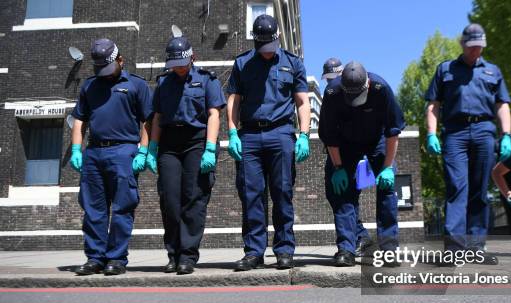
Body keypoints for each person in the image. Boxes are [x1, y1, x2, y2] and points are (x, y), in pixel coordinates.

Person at [226, 14, 311, 271]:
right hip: (250, 135)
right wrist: (231, 132)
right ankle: (254, 251)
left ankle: (284, 250)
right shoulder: (242, 63)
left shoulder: (292, 63)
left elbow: (302, 101)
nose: (266, 52)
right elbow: (234, 100)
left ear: (277, 38)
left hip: (281, 133)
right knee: (251, 196)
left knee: (282, 193)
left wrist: (304, 134)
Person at [424, 23, 511, 265]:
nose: (476, 51)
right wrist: (431, 133)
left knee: (479, 190)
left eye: (480, 47)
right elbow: (434, 104)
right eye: (472, 46)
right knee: (456, 187)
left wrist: (507, 135)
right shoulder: (445, 70)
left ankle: (475, 246)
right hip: (455, 132)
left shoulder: (493, 71)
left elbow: (502, 104)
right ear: (463, 44)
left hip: (484, 131)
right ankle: (454, 248)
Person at [70, 38, 152, 276]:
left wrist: (143, 149)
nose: (104, 74)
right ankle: (95, 257)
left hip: (124, 151)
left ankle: (116, 258)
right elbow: (80, 120)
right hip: (94, 152)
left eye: (109, 67)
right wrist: (77, 149)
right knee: (93, 209)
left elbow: (148, 120)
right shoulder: (89, 86)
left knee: (122, 208)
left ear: (120, 60)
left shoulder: (136, 85)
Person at [145, 36, 226, 275]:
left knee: (193, 198)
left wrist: (210, 147)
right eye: (174, 64)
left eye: (182, 63)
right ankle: (173, 254)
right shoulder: (163, 83)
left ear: (193, 58)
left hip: (196, 141)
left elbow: (213, 114)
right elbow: (157, 118)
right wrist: (151, 148)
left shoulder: (207, 81)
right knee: (170, 200)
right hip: (169, 144)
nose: (178, 68)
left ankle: (188, 256)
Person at [319, 61, 405, 267]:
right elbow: (329, 136)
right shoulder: (332, 93)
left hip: (377, 140)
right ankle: (346, 249)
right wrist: (338, 168)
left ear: (366, 85)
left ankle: (389, 249)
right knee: (342, 192)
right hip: (346, 143)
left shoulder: (381, 89)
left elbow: (393, 132)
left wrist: (387, 167)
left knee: (386, 189)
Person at [321, 57, 375, 257]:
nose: (330, 81)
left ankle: (353, 241)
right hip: (338, 153)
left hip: (355, 153)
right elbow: (329, 131)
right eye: (328, 78)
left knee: (346, 196)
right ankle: (360, 236)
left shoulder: (354, 89)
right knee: (341, 195)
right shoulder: (331, 95)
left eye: (333, 77)